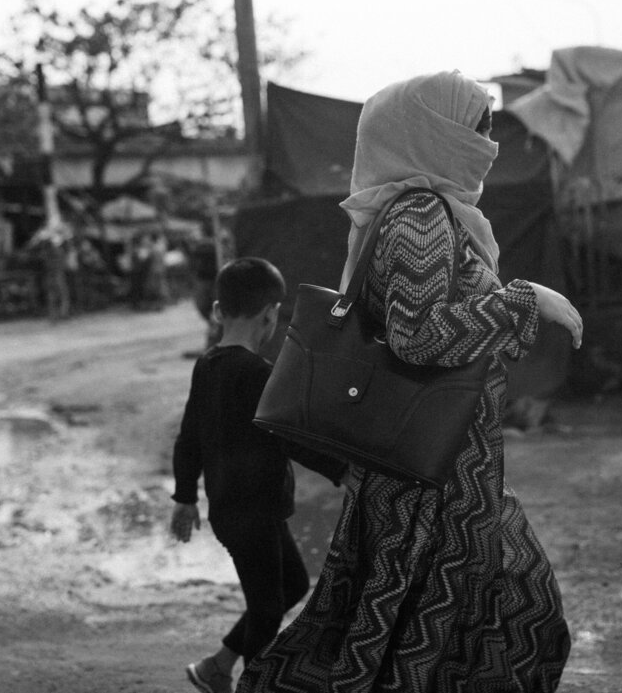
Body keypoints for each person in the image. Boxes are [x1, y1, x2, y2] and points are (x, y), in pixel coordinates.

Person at [236, 71, 583, 693]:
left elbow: (430, 315)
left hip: (450, 471)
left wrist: (508, 303)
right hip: (432, 482)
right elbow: (417, 336)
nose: (490, 141)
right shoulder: (420, 214)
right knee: (468, 627)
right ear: (431, 133)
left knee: (454, 625)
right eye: (475, 126)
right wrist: (522, 301)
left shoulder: (433, 212)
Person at [170, 257, 349, 693]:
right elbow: (291, 439)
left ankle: (218, 666)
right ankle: (252, 685)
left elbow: (188, 434)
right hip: (252, 513)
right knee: (268, 610)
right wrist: (343, 471)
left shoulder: (207, 365)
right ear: (270, 315)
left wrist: (185, 497)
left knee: (290, 584)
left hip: (236, 510)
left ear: (217, 309)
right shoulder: (258, 374)